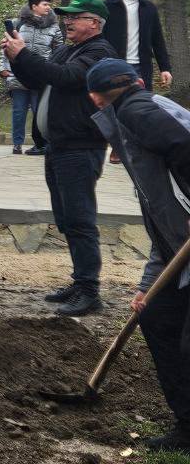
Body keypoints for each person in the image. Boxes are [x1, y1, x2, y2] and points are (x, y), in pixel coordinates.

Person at [88, 58, 190, 452]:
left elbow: (186, 147)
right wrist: (148, 285)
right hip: (179, 253)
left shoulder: (137, 112)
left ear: (96, 98)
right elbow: (165, 221)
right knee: (158, 316)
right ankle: (188, 426)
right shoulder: (137, 114)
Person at [4, 0, 117, 317]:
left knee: (80, 219)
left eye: (75, 17)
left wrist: (24, 53)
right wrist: (16, 58)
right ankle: (80, 282)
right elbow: (39, 78)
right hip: (59, 146)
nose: (67, 21)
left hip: (81, 147)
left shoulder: (99, 52)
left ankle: (89, 290)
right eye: (65, 16)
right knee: (67, 219)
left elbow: (65, 78)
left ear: (94, 23)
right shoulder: (69, 50)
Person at [0, 0, 61, 155]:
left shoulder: (54, 27)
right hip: (18, 74)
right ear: (34, 6)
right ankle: (17, 144)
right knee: (19, 111)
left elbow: (59, 51)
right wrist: (3, 68)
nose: (48, 7)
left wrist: (53, 70)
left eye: (49, 5)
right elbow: (6, 48)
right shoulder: (18, 24)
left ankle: (41, 143)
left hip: (41, 75)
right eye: (45, 4)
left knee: (39, 111)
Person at [103, 0, 172, 93]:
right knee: (116, 102)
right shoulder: (108, 6)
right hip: (113, 68)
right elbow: (100, 38)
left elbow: (158, 40)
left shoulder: (149, 8)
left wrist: (165, 68)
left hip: (142, 69)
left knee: (141, 103)